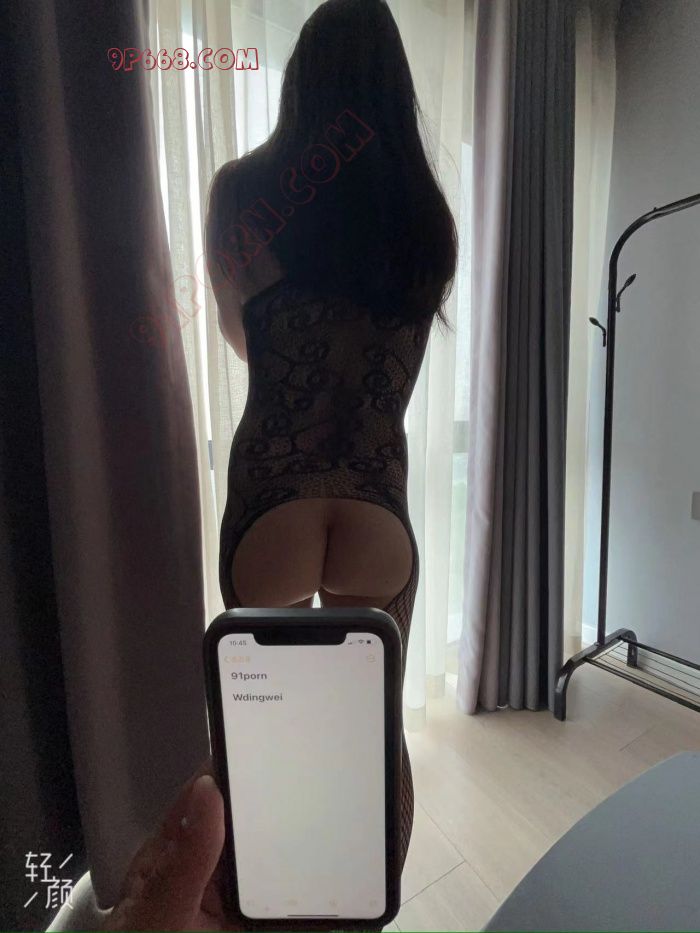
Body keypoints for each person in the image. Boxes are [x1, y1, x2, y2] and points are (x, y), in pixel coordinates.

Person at [205, 0, 457, 871]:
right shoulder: (426, 217)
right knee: (374, 733)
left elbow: (245, 340)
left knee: (265, 737)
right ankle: (367, 909)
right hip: (377, 505)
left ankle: (273, 905)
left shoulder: (241, 192)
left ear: (300, 79)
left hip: (272, 499)